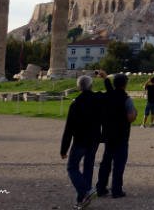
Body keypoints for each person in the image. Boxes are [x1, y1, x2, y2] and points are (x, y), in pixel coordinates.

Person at [61, 75, 104, 209]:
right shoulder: (98, 100)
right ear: (91, 86)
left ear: (79, 87)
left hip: (80, 140)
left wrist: (64, 149)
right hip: (94, 139)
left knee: (72, 167)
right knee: (88, 167)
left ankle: (86, 190)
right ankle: (82, 199)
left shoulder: (76, 103)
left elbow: (69, 128)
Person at [95, 73, 137, 199]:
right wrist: (135, 113)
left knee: (106, 163)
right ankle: (116, 190)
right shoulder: (126, 99)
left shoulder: (108, 96)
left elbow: (109, 89)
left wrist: (105, 78)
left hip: (108, 134)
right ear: (125, 84)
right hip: (122, 135)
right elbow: (130, 117)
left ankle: (101, 188)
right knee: (119, 164)